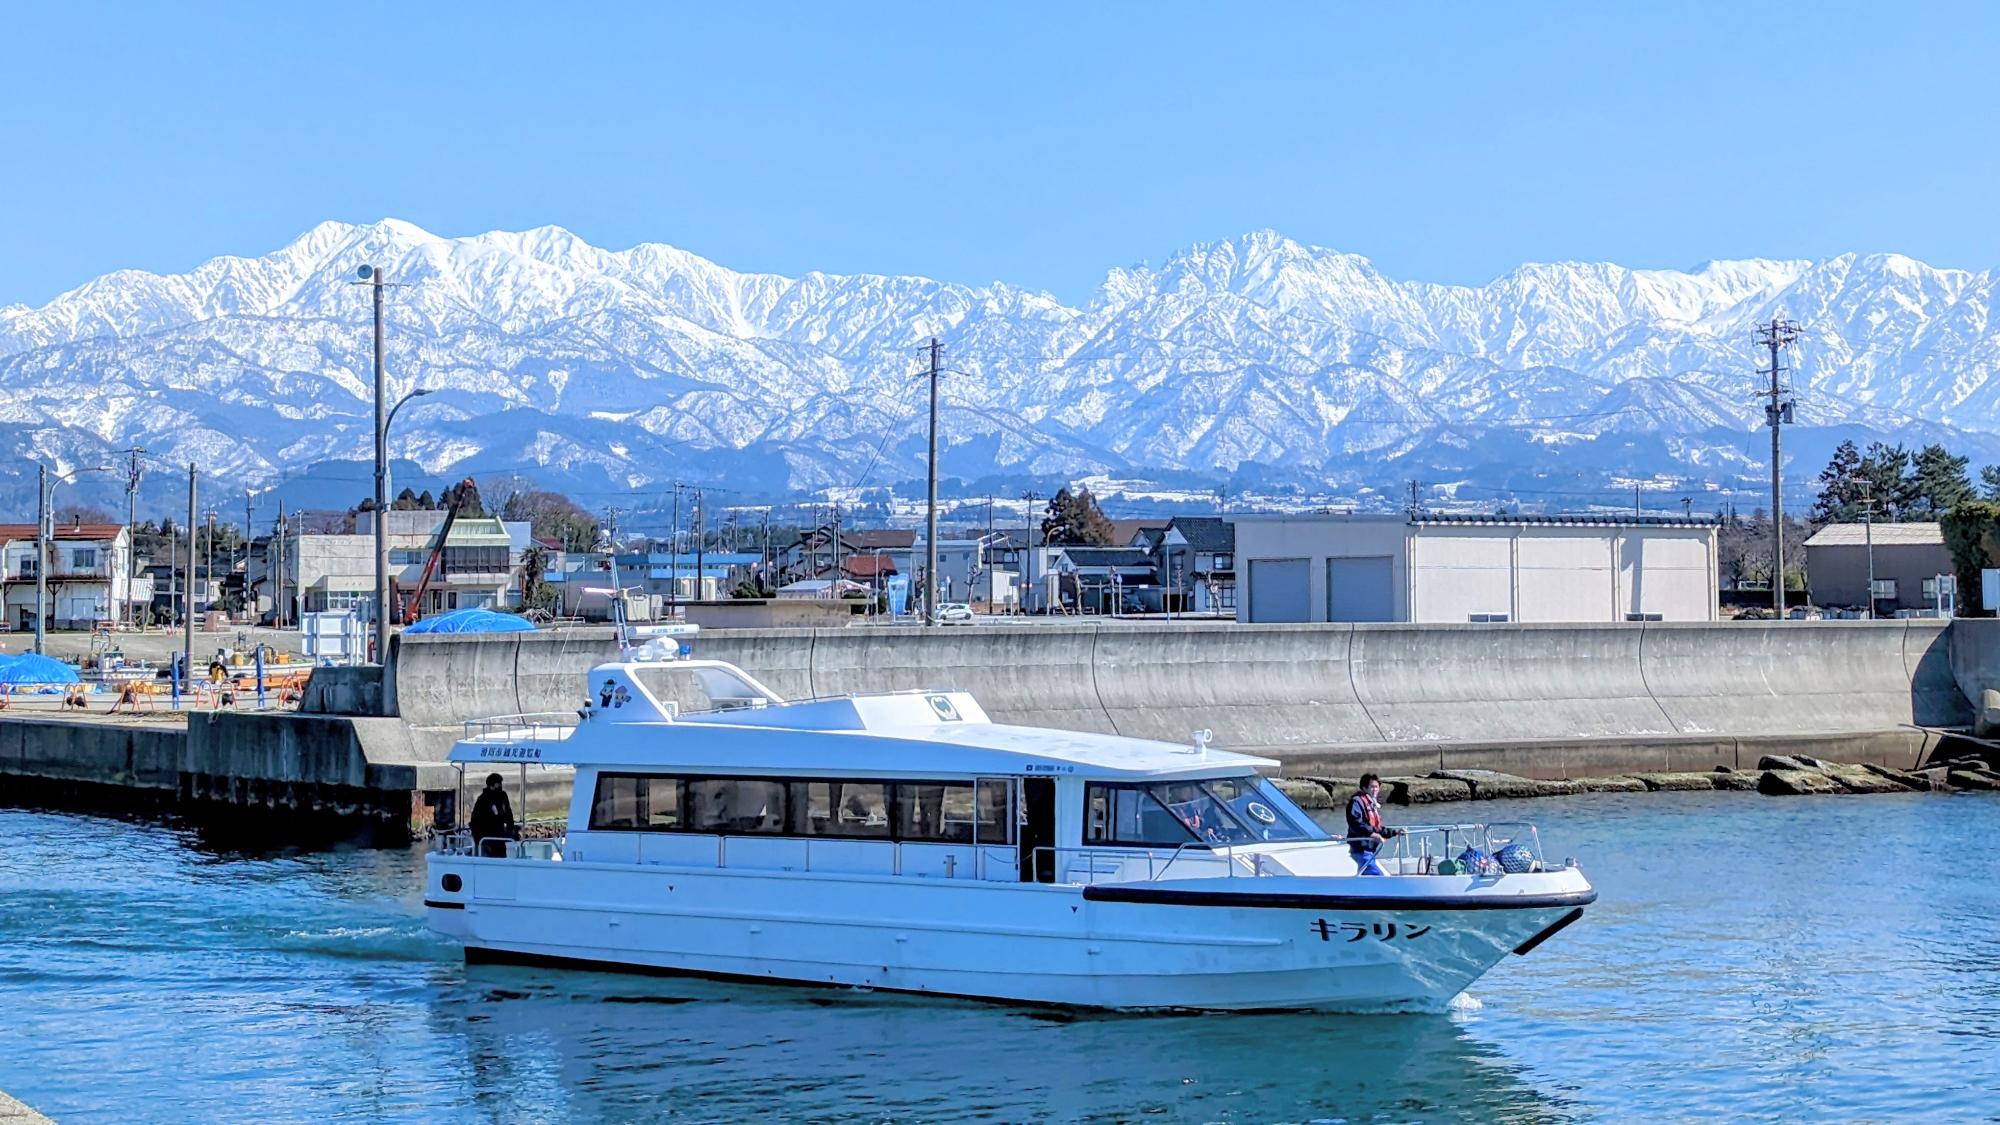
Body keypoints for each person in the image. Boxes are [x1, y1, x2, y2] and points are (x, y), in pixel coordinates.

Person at [1345, 773, 1401, 876]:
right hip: (1361, 850)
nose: (1375, 789)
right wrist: (1371, 834)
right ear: (1364, 787)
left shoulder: (1371, 804)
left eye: (1376, 787)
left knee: (1369, 877)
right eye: (1372, 787)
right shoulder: (1356, 802)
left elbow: (1377, 828)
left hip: (1369, 851)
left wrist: (1395, 832)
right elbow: (1355, 823)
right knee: (1377, 876)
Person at [468, 773, 518, 857]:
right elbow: (475, 820)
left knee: (501, 858)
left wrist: (511, 827)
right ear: (491, 784)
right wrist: (478, 839)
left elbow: (508, 813)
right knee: (489, 858)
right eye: (498, 783)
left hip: (500, 836)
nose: (500, 785)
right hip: (486, 838)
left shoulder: (502, 796)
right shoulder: (483, 799)